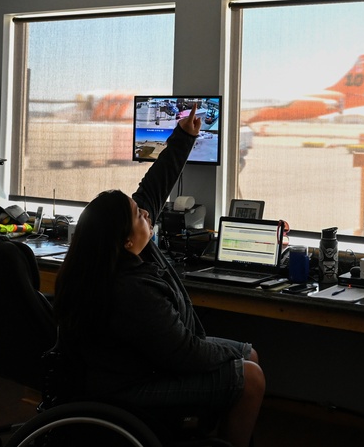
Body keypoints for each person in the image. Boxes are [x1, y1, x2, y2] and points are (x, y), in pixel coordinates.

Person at [53, 104, 264, 447]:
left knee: (248, 355)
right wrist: (231, 352)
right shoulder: (130, 289)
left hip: (143, 360)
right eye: (139, 215)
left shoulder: (115, 250)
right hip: (131, 385)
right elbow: (186, 354)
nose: (147, 215)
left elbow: (155, 184)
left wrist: (184, 137)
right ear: (125, 239)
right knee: (250, 376)